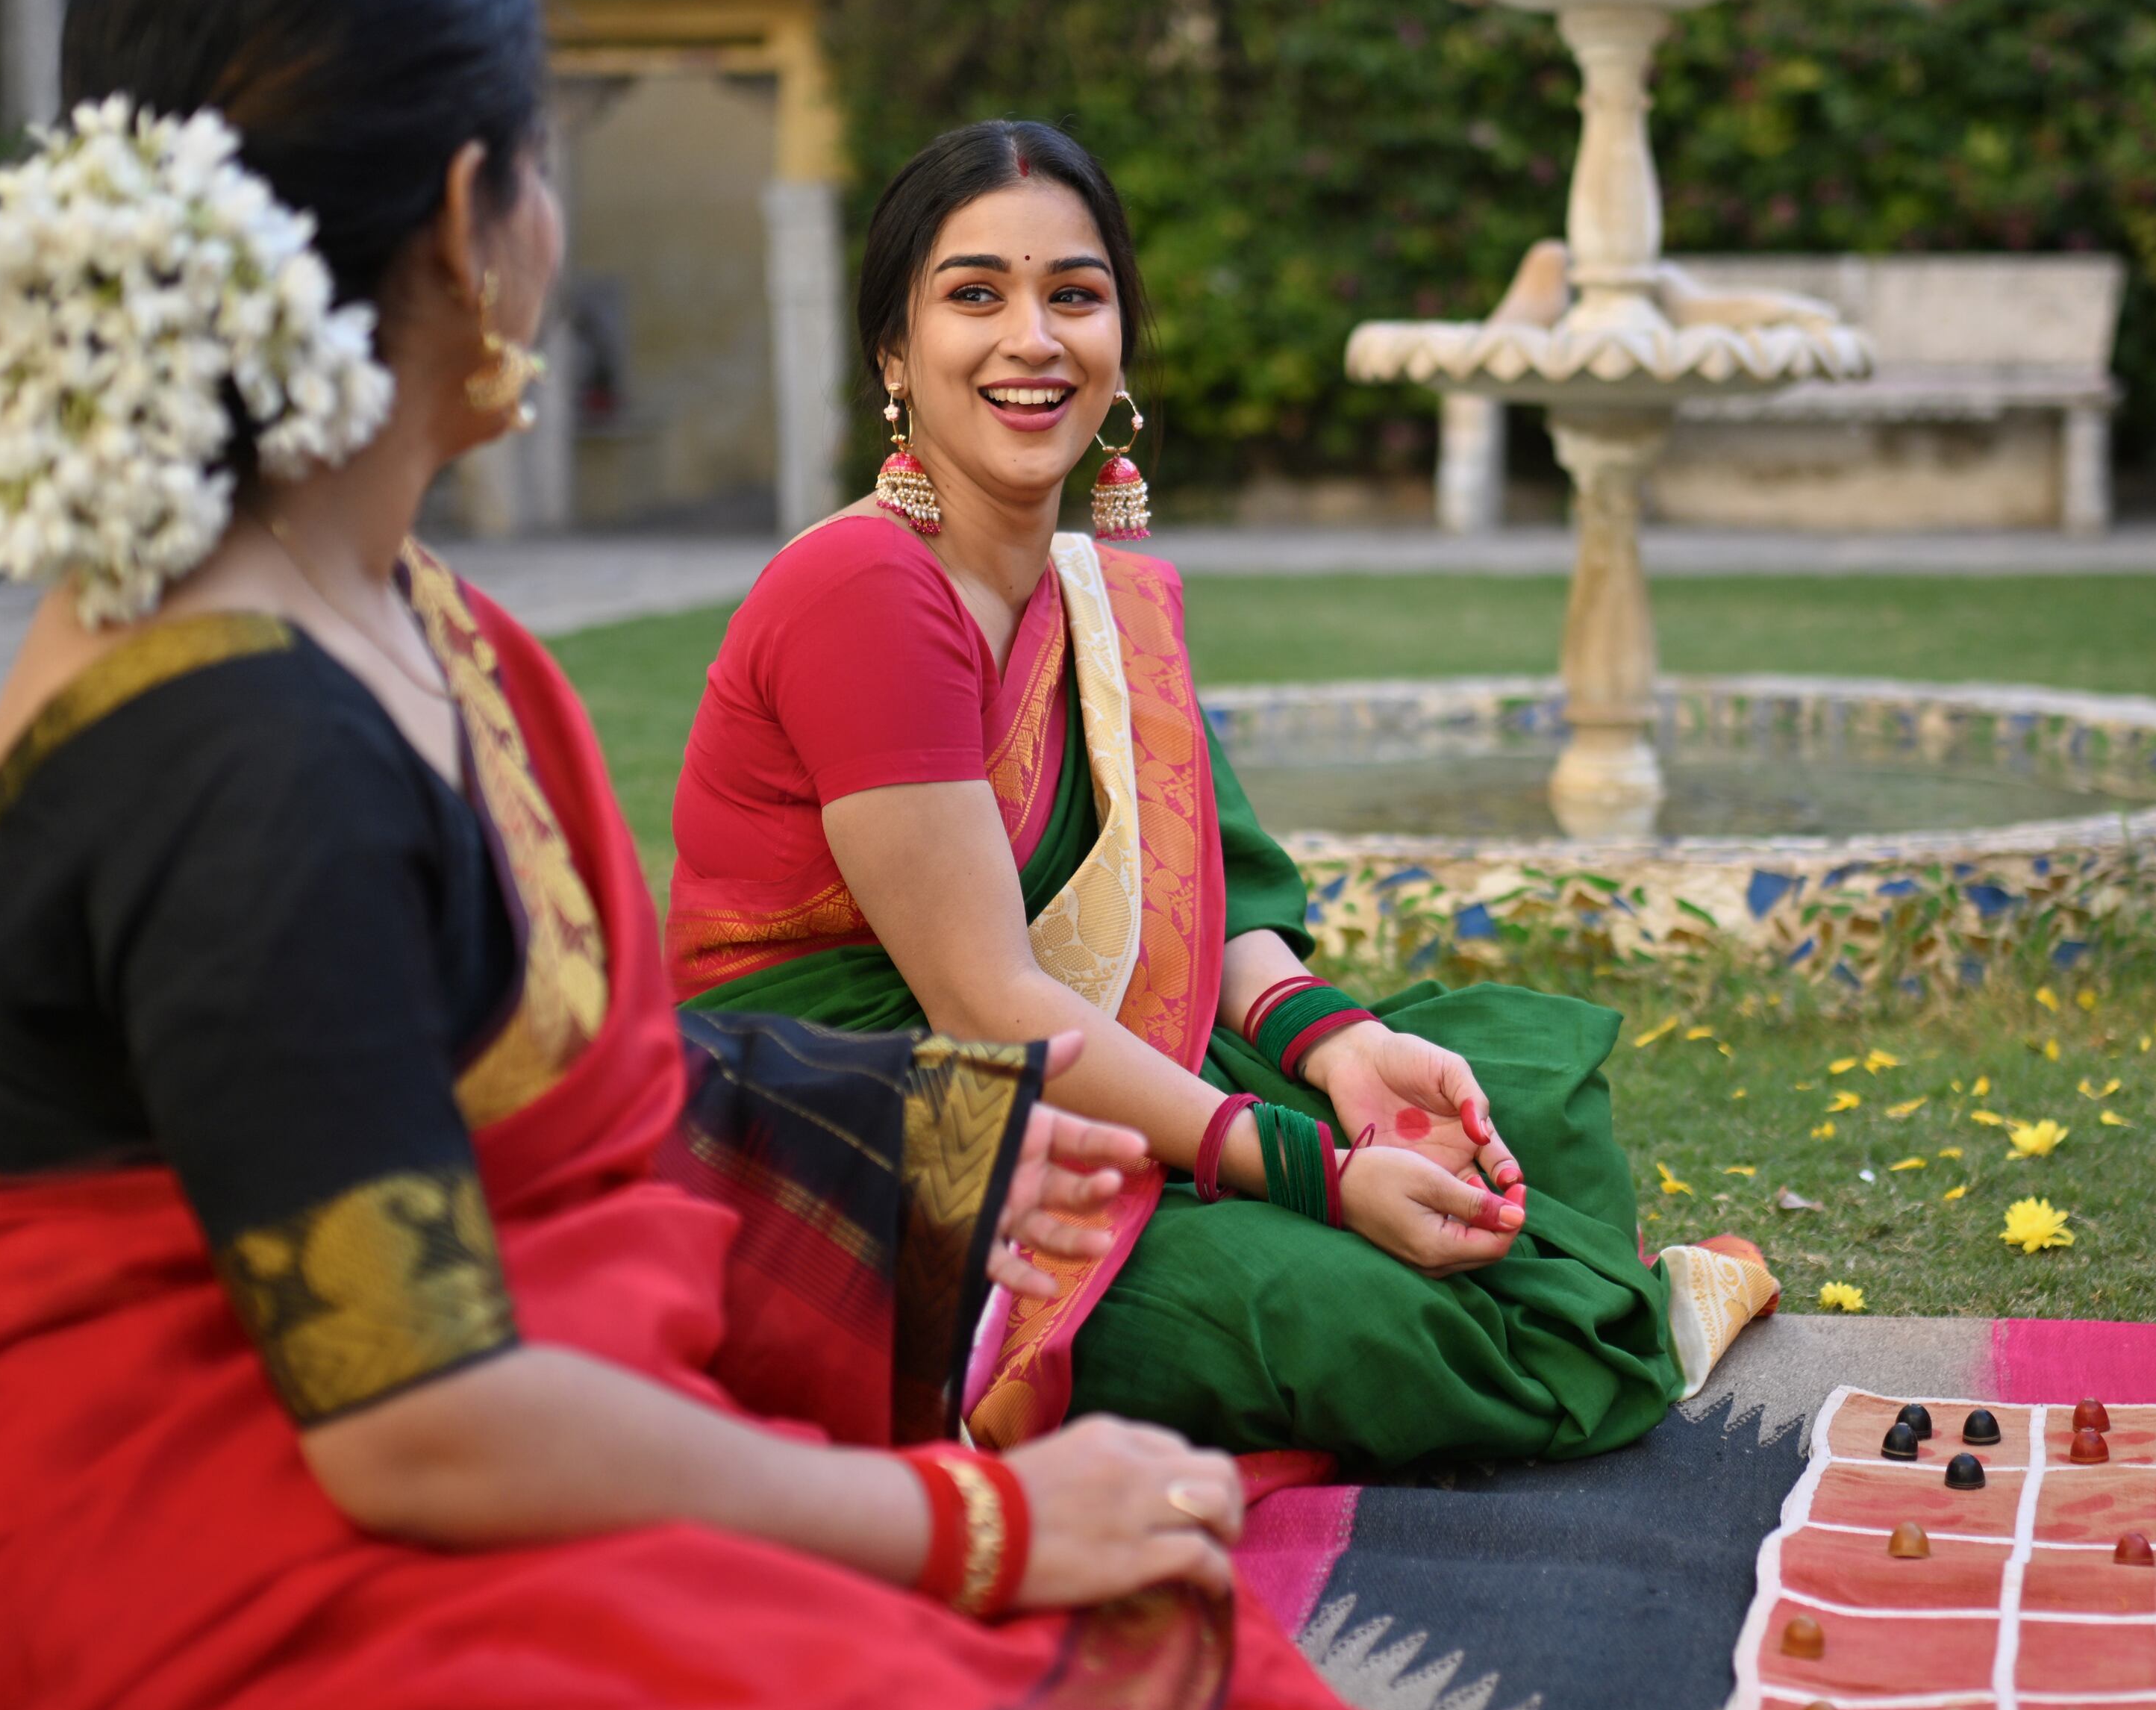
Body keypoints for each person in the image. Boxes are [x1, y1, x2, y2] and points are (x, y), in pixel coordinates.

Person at [0, 0, 1427, 1710]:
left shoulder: (386, 605)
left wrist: (933, 1149)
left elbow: (519, 1071)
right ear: (475, 213)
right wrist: (968, 1515)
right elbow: (408, 1414)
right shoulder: (237, 740)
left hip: (383, 1415)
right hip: (177, 1530)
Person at [666, 120, 1775, 1472]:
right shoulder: (865, 594)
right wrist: (1308, 1167)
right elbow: (987, 1006)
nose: (1033, 337)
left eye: (1074, 294)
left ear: (1120, 335)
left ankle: (1443, 1241)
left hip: (1092, 1061)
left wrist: (1332, 1047)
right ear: (894, 355)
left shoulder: (1109, 599)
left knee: (1524, 1097)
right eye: (975, 295)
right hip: (893, 1139)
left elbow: (1209, 895)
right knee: (1348, 1317)